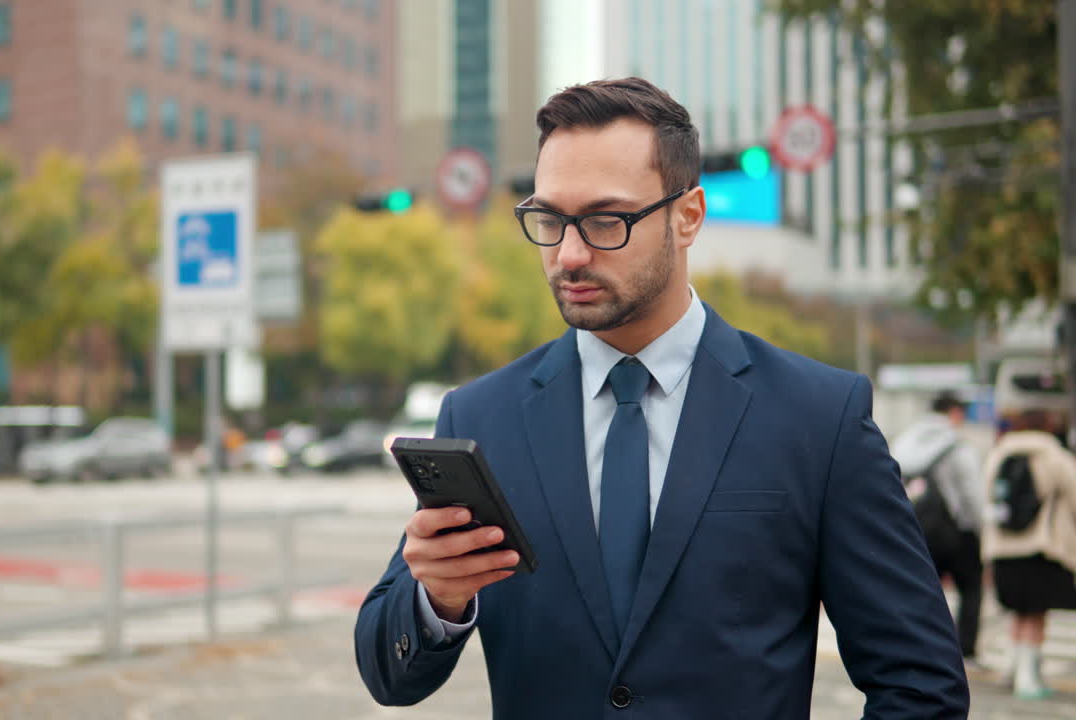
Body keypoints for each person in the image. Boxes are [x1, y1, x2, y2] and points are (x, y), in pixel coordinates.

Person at [354, 78, 968, 718]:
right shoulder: (483, 418)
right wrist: (437, 598)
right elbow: (387, 675)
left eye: (605, 221)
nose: (569, 254)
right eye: (550, 220)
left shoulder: (819, 417)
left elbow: (920, 683)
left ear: (688, 216)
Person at [981, 409, 1076, 699]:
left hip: (1002, 548)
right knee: (1035, 613)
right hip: (1041, 548)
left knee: (1017, 612)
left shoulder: (999, 453)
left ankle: (1012, 668)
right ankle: (1028, 678)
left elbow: (987, 495)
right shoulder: (1054, 455)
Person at [889, 390, 984, 666]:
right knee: (971, 589)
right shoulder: (957, 445)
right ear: (954, 412)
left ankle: (917, 645)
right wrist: (977, 528)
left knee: (922, 588)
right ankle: (965, 650)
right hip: (956, 530)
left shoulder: (905, 440)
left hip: (916, 528)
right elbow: (971, 492)